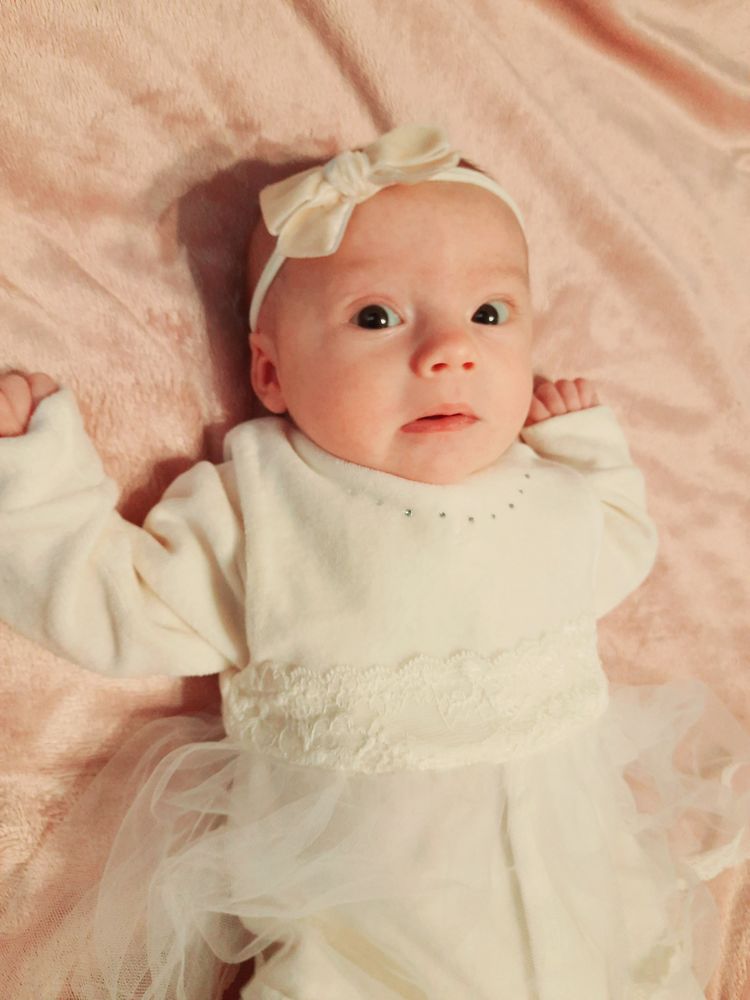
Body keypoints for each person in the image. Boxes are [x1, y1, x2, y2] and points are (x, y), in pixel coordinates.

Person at [0, 123, 748, 1000]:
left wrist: (588, 450)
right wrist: (35, 483)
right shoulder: (267, 507)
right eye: (377, 317)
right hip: (369, 930)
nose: (450, 351)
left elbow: (617, 546)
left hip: (588, 898)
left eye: (490, 314)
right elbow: (118, 606)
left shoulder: (546, 486)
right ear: (271, 375)